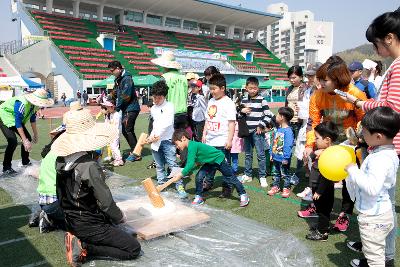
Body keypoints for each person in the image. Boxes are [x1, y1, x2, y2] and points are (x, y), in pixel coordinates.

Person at [341, 10, 400, 266]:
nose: (375, 49)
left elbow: (391, 111)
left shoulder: (399, 66)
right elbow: (386, 105)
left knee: (382, 200)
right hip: (386, 142)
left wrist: (369, 132)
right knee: (384, 201)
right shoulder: (395, 65)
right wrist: (358, 102)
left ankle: (380, 256)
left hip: (389, 145)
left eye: (376, 43)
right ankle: (376, 249)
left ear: (388, 38)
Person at [51, 108, 141, 266]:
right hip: (88, 225)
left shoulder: (60, 160)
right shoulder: (88, 165)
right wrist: (120, 217)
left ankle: (82, 238)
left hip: (69, 219)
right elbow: (106, 202)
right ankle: (86, 248)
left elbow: (61, 194)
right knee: (133, 248)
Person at [304, 58, 367, 232]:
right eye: (320, 79)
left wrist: (359, 143)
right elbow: (313, 122)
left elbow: (364, 121)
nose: (320, 83)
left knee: (349, 180)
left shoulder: (355, 94)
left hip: (350, 142)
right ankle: (320, 207)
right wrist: (310, 144)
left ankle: (345, 213)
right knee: (324, 175)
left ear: (338, 79)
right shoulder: (317, 95)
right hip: (328, 141)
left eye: (324, 80)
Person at [345, 107, 399, 267]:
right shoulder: (388, 153)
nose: (362, 136)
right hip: (382, 213)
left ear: (378, 136)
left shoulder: (379, 159)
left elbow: (372, 188)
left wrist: (353, 171)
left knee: (374, 258)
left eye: (364, 133)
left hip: (373, 218)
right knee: (377, 251)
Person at [172, 129, 249, 207]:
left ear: (183, 138)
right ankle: (199, 197)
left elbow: (190, 163)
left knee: (231, 178)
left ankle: (243, 194)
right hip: (210, 162)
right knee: (199, 177)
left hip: (219, 160)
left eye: (176, 144)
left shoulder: (192, 146)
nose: (177, 147)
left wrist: (180, 175)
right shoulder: (190, 147)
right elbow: (193, 162)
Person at [146, 80, 188, 198]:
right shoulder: (153, 108)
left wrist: (156, 135)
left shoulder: (169, 106)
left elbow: (167, 123)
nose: (155, 100)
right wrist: (151, 137)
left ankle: (179, 185)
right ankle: (161, 184)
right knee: (159, 165)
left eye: (158, 98)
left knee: (172, 164)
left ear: (164, 96)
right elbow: (155, 125)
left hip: (167, 140)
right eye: (154, 97)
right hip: (155, 141)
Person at [0, 89, 54, 176]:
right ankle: (6, 168)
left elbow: (32, 120)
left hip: (14, 119)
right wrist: (24, 140)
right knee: (13, 141)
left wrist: (35, 134)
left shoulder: (34, 105)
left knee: (28, 138)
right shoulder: (22, 103)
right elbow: (18, 123)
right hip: (4, 116)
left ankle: (25, 162)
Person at [301, 121, 338, 241]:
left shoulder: (329, 156)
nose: (315, 140)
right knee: (320, 209)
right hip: (317, 187)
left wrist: (319, 192)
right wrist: (312, 155)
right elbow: (311, 159)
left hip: (323, 189)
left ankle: (323, 233)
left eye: (317, 138)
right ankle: (322, 227)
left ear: (327, 140)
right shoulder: (322, 152)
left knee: (323, 211)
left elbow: (326, 176)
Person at [201, 74, 236, 197]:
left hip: (222, 141)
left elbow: (232, 123)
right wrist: (204, 134)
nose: (212, 91)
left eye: (214, 89)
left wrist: (229, 140)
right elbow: (207, 119)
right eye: (210, 88)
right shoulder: (211, 101)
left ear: (222, 88)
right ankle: (208, 183)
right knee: (210, 164)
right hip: (210, 140)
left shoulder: (228, 103)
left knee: (224, 166)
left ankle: (227, 187)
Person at [239, 77, 274, 188]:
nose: (253, 90)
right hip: (246, 131)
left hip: (257, 132)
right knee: (248, 154)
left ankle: (262, 176)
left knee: (261, 154)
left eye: (255, 88)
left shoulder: (262, 99)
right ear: (246, 88)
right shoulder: (243, 100)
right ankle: (248, 174)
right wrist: (241, 110)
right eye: (250, 88)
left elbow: (268, 115)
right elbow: (238, 115)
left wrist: (261, 125)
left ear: (258, 88)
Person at [296, 63, 322, 198]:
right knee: (309, 159)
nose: (309, 78)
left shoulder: (323, 91)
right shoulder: (308, 90)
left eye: (312, 75)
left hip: (320, 131)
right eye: (308, 75)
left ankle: (315, 189)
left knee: (317, 161)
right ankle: (312, 187)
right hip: (309, 126)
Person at [108, 60, 141, 162]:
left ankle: (136, 153)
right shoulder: (118, 79)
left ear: (118, 69)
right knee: (126, 130)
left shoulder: (127, 78)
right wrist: (109, 100)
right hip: (126, 108)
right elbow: (115, 92)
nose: (111, 72)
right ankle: (135, 150)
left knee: (127, 129)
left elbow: (126, 96)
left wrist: (116, 107)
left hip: (131, 108)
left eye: (112, 70)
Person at [151, 51, 188, 129]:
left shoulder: (165, 77)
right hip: (183, 114)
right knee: (180, 139)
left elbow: (159, 97)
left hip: (170, 113)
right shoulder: (184, 78)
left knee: (168, 138)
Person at [267, 107, 295, 198]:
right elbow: (274, 142)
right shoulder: (278, 129)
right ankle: (276, 186)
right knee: (276, 173)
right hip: (275, 156)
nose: (276, 116)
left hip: (283, 158)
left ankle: (286, 187)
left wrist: (286, 158)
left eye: (278, 115)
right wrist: (271, 153)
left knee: (285, 174)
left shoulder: (288, 131)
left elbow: (288, 145)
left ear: (282, 117)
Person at [285, 65, 307, 138]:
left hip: (300, 123)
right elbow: (286, 105)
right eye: (290, 77)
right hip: (289, 122)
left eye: (294, 77)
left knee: (299, 146)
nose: (291, 80)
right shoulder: (290, 88)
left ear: (301, 77)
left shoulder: (305, 88)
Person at [101, 99, 124, 167]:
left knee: (114, 146)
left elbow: (116, 126)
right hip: (111, 133)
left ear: (113, 107)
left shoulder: (117, 115)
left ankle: (119, 160)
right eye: (106, 107)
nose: (107, 108)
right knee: (112, 146)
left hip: (115, 133)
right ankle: (115, 159)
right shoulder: (110, 114)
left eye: (108, 107)